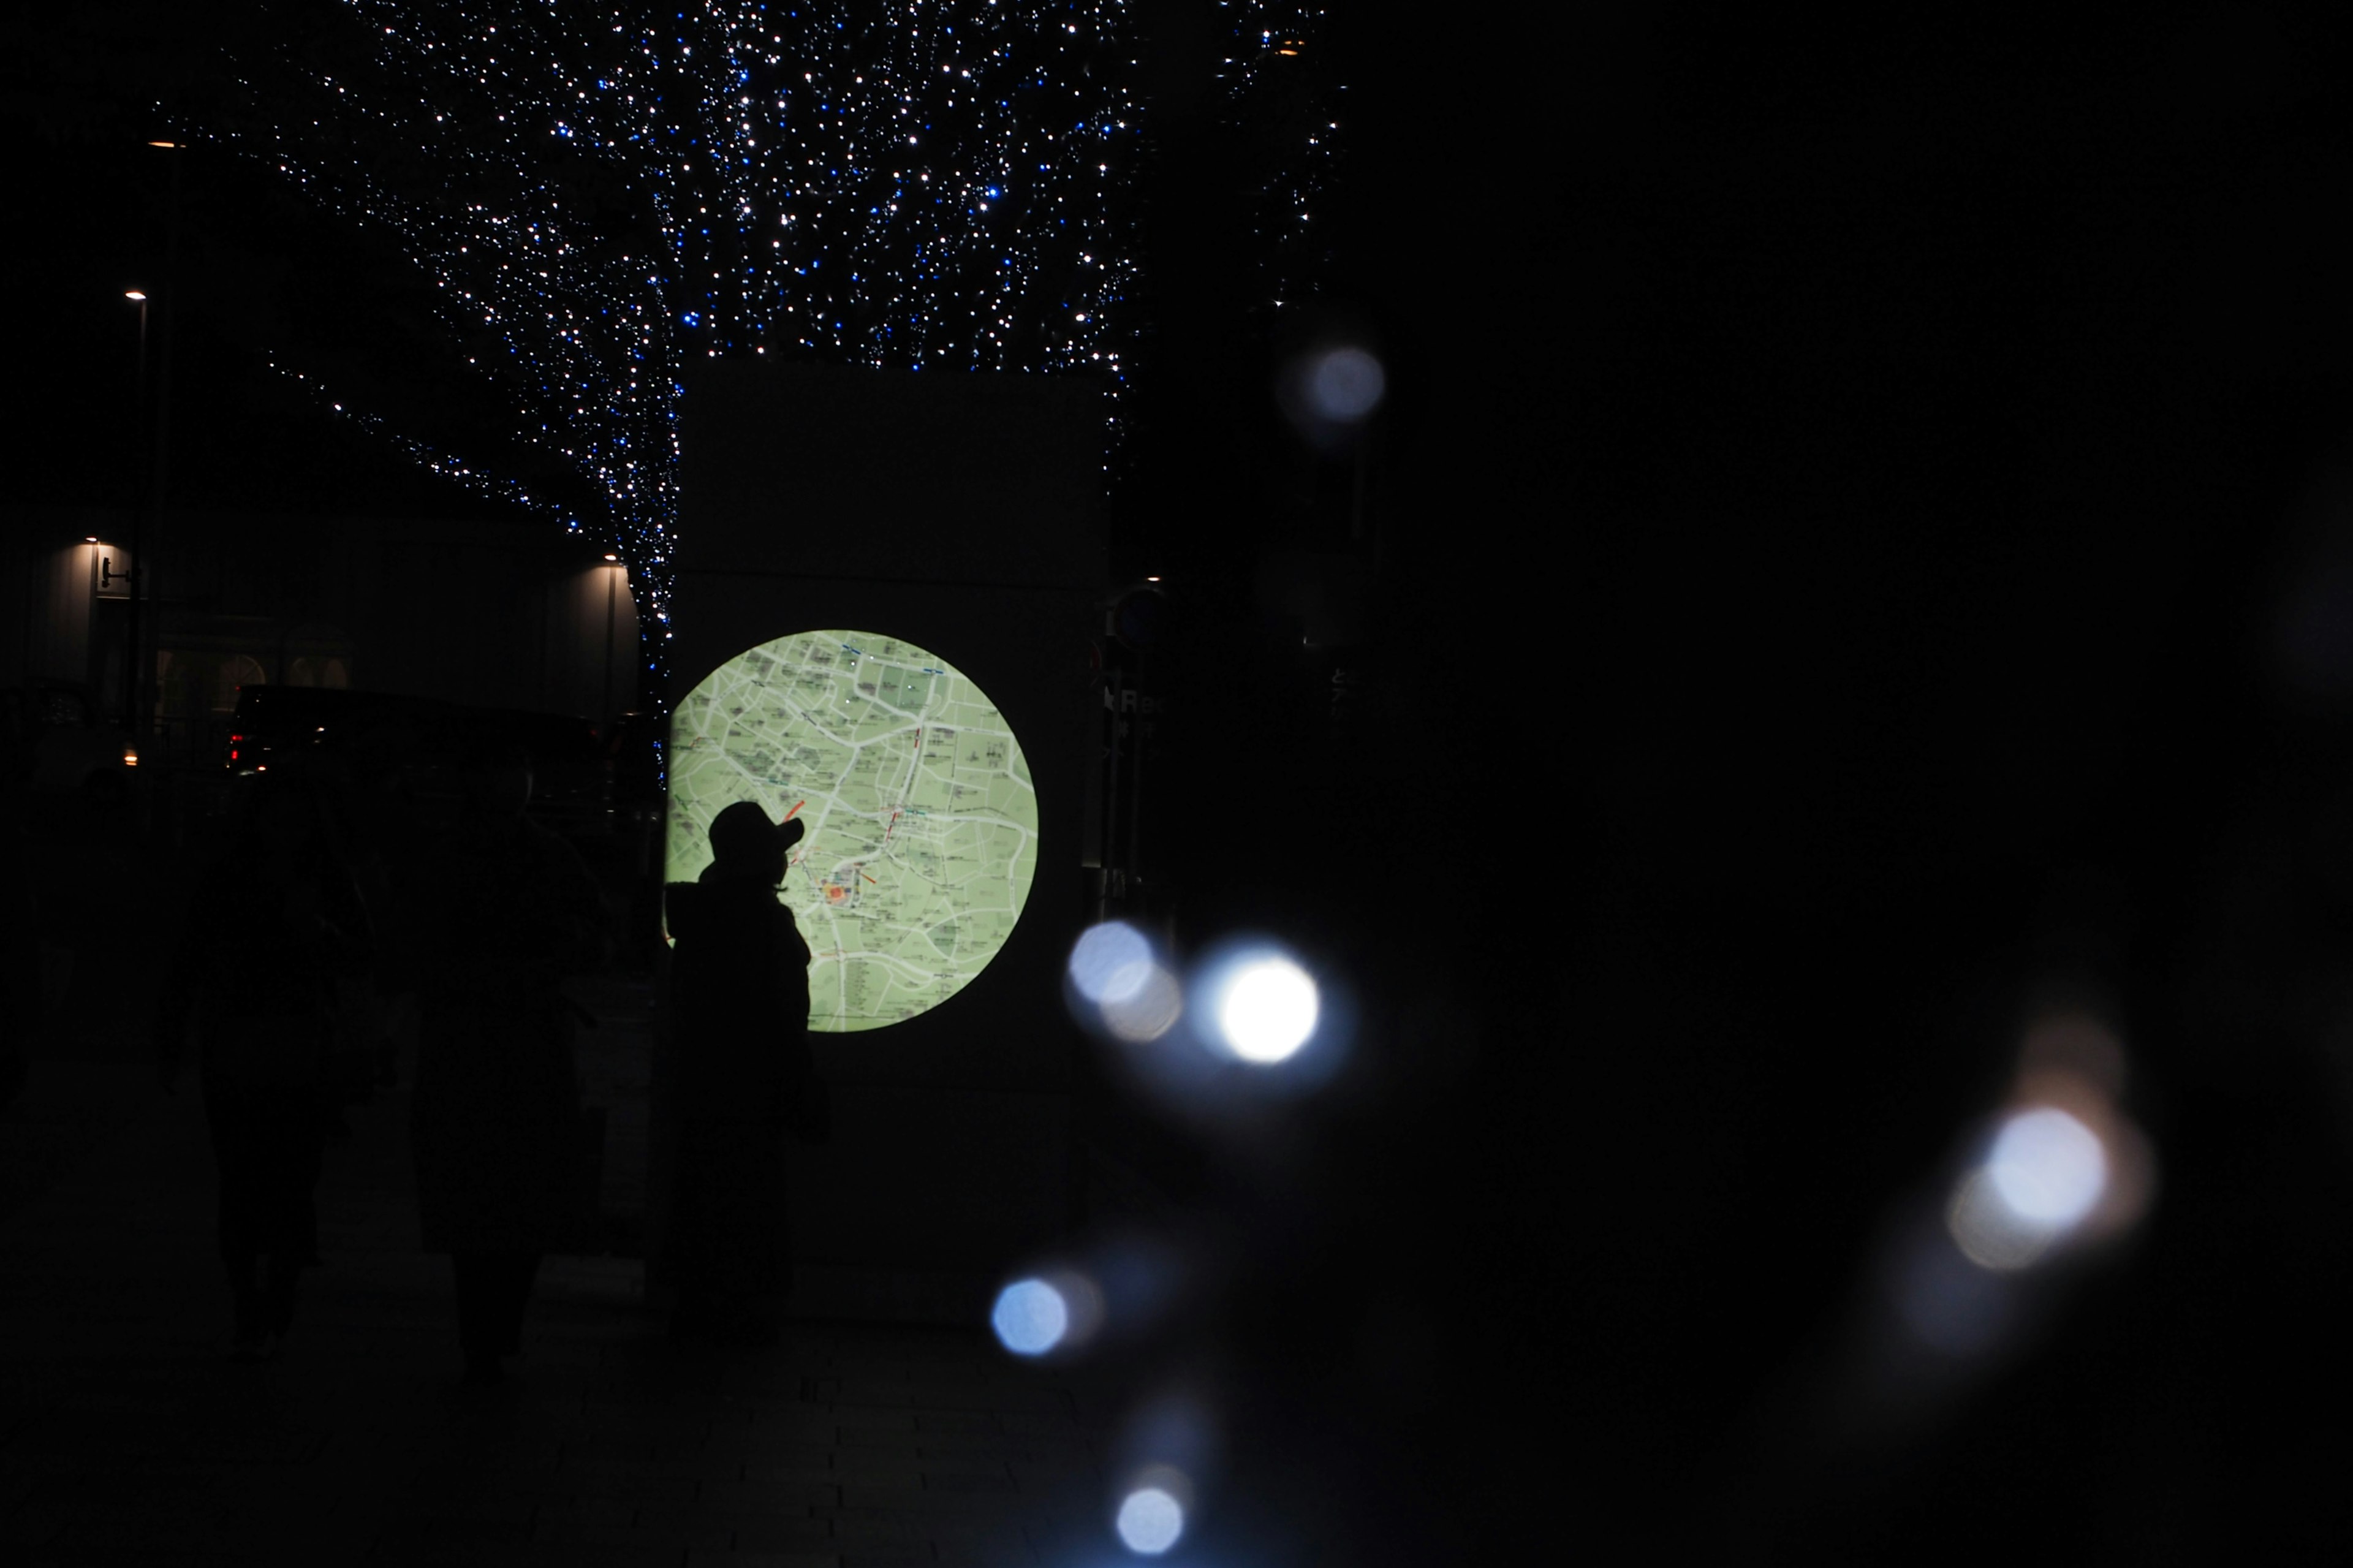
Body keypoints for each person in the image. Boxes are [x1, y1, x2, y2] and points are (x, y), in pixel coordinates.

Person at [395, 737, 608, 1385]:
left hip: (470, 1040)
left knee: (480, 1198)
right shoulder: (546, 854)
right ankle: (497, 1328)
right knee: (524, 1195)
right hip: (526, 1039)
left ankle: (484, 1333)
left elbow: (414, 948)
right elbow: (596, 932)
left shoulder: (448, 855)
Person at [156, 774, 370, 1361]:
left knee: (289, 1176)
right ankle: (253, 1291)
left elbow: (365, 952)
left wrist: (321, 933)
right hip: (246, 1041)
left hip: (292, 1043)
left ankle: (272, 1282)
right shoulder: (233, 878)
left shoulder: (315, 878)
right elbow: (190, 955)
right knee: (248, 1176)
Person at [661, 800, 817, 1346]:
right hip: (752, 1094)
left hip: (703, 1088)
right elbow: (784, 1016)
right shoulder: (766, 924)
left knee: (701, 1200)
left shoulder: (700, 918)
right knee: (749, 1205)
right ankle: (740, 1315)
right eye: (777, 852)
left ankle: (698, 1306)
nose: (785, 861)